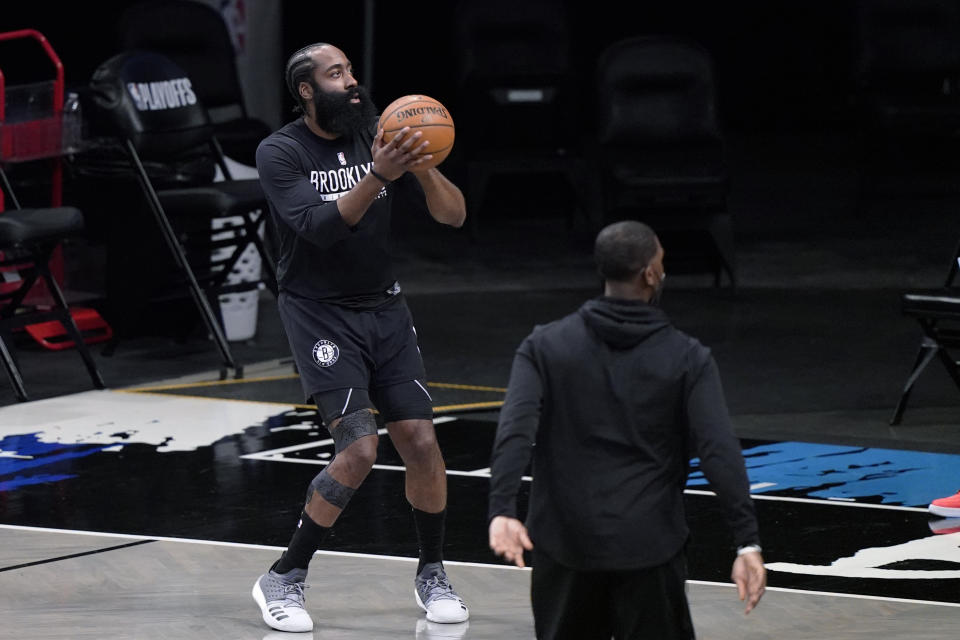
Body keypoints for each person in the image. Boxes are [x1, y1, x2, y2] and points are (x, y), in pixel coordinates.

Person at [251, 42, 469, 633]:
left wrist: (421, 166)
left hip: (385, 308)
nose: (351, 81)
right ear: (306, 89)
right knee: (359, 450)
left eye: (350, 70)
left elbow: (453, 215)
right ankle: (283, 577)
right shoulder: (280, 152)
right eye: (335, 73)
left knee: (421, 442)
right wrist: (379, 174)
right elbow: (321, 228)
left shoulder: (377, 133)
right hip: (320, 315)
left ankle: (432, 571)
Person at [487, 221, 766, 639]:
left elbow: (514, 430)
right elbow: (718, 449)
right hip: (649, 549)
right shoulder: (688, 358)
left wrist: (502, 510)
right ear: (651, 273)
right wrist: (747, 541)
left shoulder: (544, 345)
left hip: (565, 547)